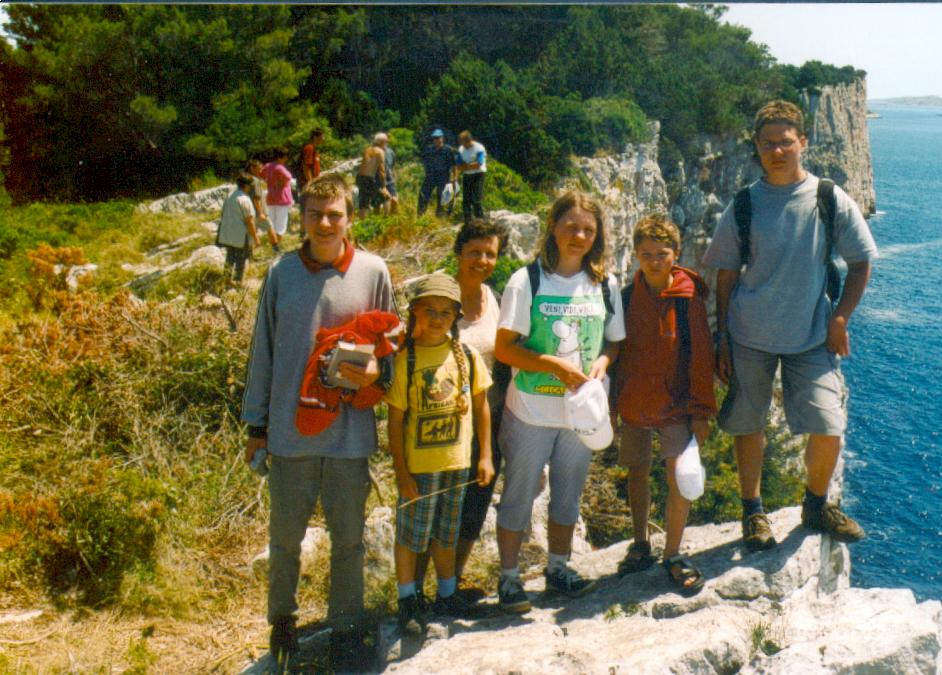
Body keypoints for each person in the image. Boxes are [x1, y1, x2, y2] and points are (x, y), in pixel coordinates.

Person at [703, 100, 877, 552]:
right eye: (768, 144)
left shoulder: (827, 197)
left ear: (803, 142)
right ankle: (753, 512)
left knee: (828, 423)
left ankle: (816, 505)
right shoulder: (743, 204)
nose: (777, 151)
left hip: (811, 334)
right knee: (749, 424)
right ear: (757, 149)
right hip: (749, 334)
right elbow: (725, 273)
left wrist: (840, 316)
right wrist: (721, 336)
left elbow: (861, 261)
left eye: (785, 142)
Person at [242, 174, 396, 669]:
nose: (325, 223)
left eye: (335, 214)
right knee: (285, 538)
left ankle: (346, 628)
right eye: (315, 214)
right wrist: (255, 427)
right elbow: (261, 354)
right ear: (301, 218)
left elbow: (392, 348)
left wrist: (378, 371)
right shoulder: (281, 274)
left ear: (351, 217)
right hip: (289, 435)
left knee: (348, 538)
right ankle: (282, 622)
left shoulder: (374, 271)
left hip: (350, 434)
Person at [493, 191, 625, 613]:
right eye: (571, 226)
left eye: (588, 229)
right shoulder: (527, 280)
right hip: (531, 410)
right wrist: (552, 365)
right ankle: (510, 578)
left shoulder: (605, 284)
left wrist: (603, 361)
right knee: (518, 494)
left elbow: (614, 343)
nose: (579, 235)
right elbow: (505, 349)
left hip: (579, 414)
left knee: (569, 494)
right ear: (553, 226)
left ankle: (559, 567)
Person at [612, 215, 716, 596]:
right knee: (636, 472)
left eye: (662, 253)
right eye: (646, 254)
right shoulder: (625, 297)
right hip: (635, 399)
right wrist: (610, 405)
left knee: (680, 478)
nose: (654, 261)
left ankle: (672, 553)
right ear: (636, 255)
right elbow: (615, 352)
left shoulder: (689, 298)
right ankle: (641, 543)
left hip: (675, 403)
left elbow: (701, 357)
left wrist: (702, 413)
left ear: (676, 254)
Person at [385, 273, 494, 634]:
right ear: (414, 312)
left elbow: (481, 407)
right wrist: (401, 473)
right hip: (419, 468)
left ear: (456, 317)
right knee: (412, 537)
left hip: (457, 463)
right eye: (428, 310)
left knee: (446, 534)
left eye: (446, 312)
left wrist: (485, 456)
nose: (436, 318)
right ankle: (407, 600)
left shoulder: (466, 355)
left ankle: (446, 595)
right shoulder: (406, 361)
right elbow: (395, 421)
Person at [413, 218, 510, 601]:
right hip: (440, 419)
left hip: (488, 419)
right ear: (459, 252)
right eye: (474, 252)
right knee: (430, 507)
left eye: (490, 254)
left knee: (473, 505)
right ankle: (415, 593)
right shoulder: (439, 296)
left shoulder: (495, 298)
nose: (482, 260)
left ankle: (448, 587)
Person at [216, 173, 260, 286]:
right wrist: (256, 238)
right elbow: (249, 221)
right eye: (250, 185)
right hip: (240, 235)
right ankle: (238, 282)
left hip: (228, 234)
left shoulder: (230, 196)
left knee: (229, 257)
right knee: (241, 259)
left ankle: (226, 279)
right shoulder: (245, 199)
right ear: (246, 186)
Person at [418, 129, 456, 217]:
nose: (436, 140)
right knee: (423, 195)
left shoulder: (448, 150)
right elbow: (424, 160)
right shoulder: (429, 149)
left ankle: (440, 217)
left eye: (438, 138)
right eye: (434, 138)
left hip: (443, 176)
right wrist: (426, 170)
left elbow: (454, 165)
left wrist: (454, 177)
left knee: (441, 198)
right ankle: (420, 216)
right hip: (430, 176)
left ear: (442, 138)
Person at [247, 159, 281, 253]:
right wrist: (261, 212)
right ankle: (277, 251)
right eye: (259, 169)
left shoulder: (248, 180)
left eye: (261, 169)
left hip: (250, 212)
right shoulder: (255, 181)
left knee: (250, 233)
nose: (261, 171)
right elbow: (256, 198)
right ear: (252, 168)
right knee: (270, 228)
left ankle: (249, 255)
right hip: (258, 212)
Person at [262, 148, 294, 241]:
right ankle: (277, 245)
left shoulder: (267, 166)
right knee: (281, 225)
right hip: (282, 198)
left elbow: (262, 175)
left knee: (272, 223)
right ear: (282, 157)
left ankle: (272, 243)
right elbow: (288, 177)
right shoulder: (280, 167)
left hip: (271, 198)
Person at [456, 130, 486, 226]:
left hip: (478, 174)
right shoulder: (461, 149)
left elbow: (479, 163)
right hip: (467, 175)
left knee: (476, 200)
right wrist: (470, 165)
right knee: (466, 201)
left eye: (463, 142)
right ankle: (468, 223)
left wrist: (466, 166)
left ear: (468, 141)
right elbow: (459, 165)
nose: (462, 145)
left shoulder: (479, 148)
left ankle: (481, 222)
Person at [356, 133, 389, 218]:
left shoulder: (367, 149)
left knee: (363, 203)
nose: (387, 144)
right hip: (369, 178)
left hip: (360, 177)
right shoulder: (380, 151)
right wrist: (384, 186)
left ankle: (362, 224)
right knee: (386, 198)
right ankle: (385, 221)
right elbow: (382, 170)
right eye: (386, 142)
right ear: (382, 142)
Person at [383, 134, 399, 215]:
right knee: (385, 201)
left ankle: (393, 219)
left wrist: (394, 178)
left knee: (395, 200)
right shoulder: (375, 151)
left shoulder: (391, 152)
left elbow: (393, 166)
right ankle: (384, 220)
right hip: (379, 181)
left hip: (390, 180)